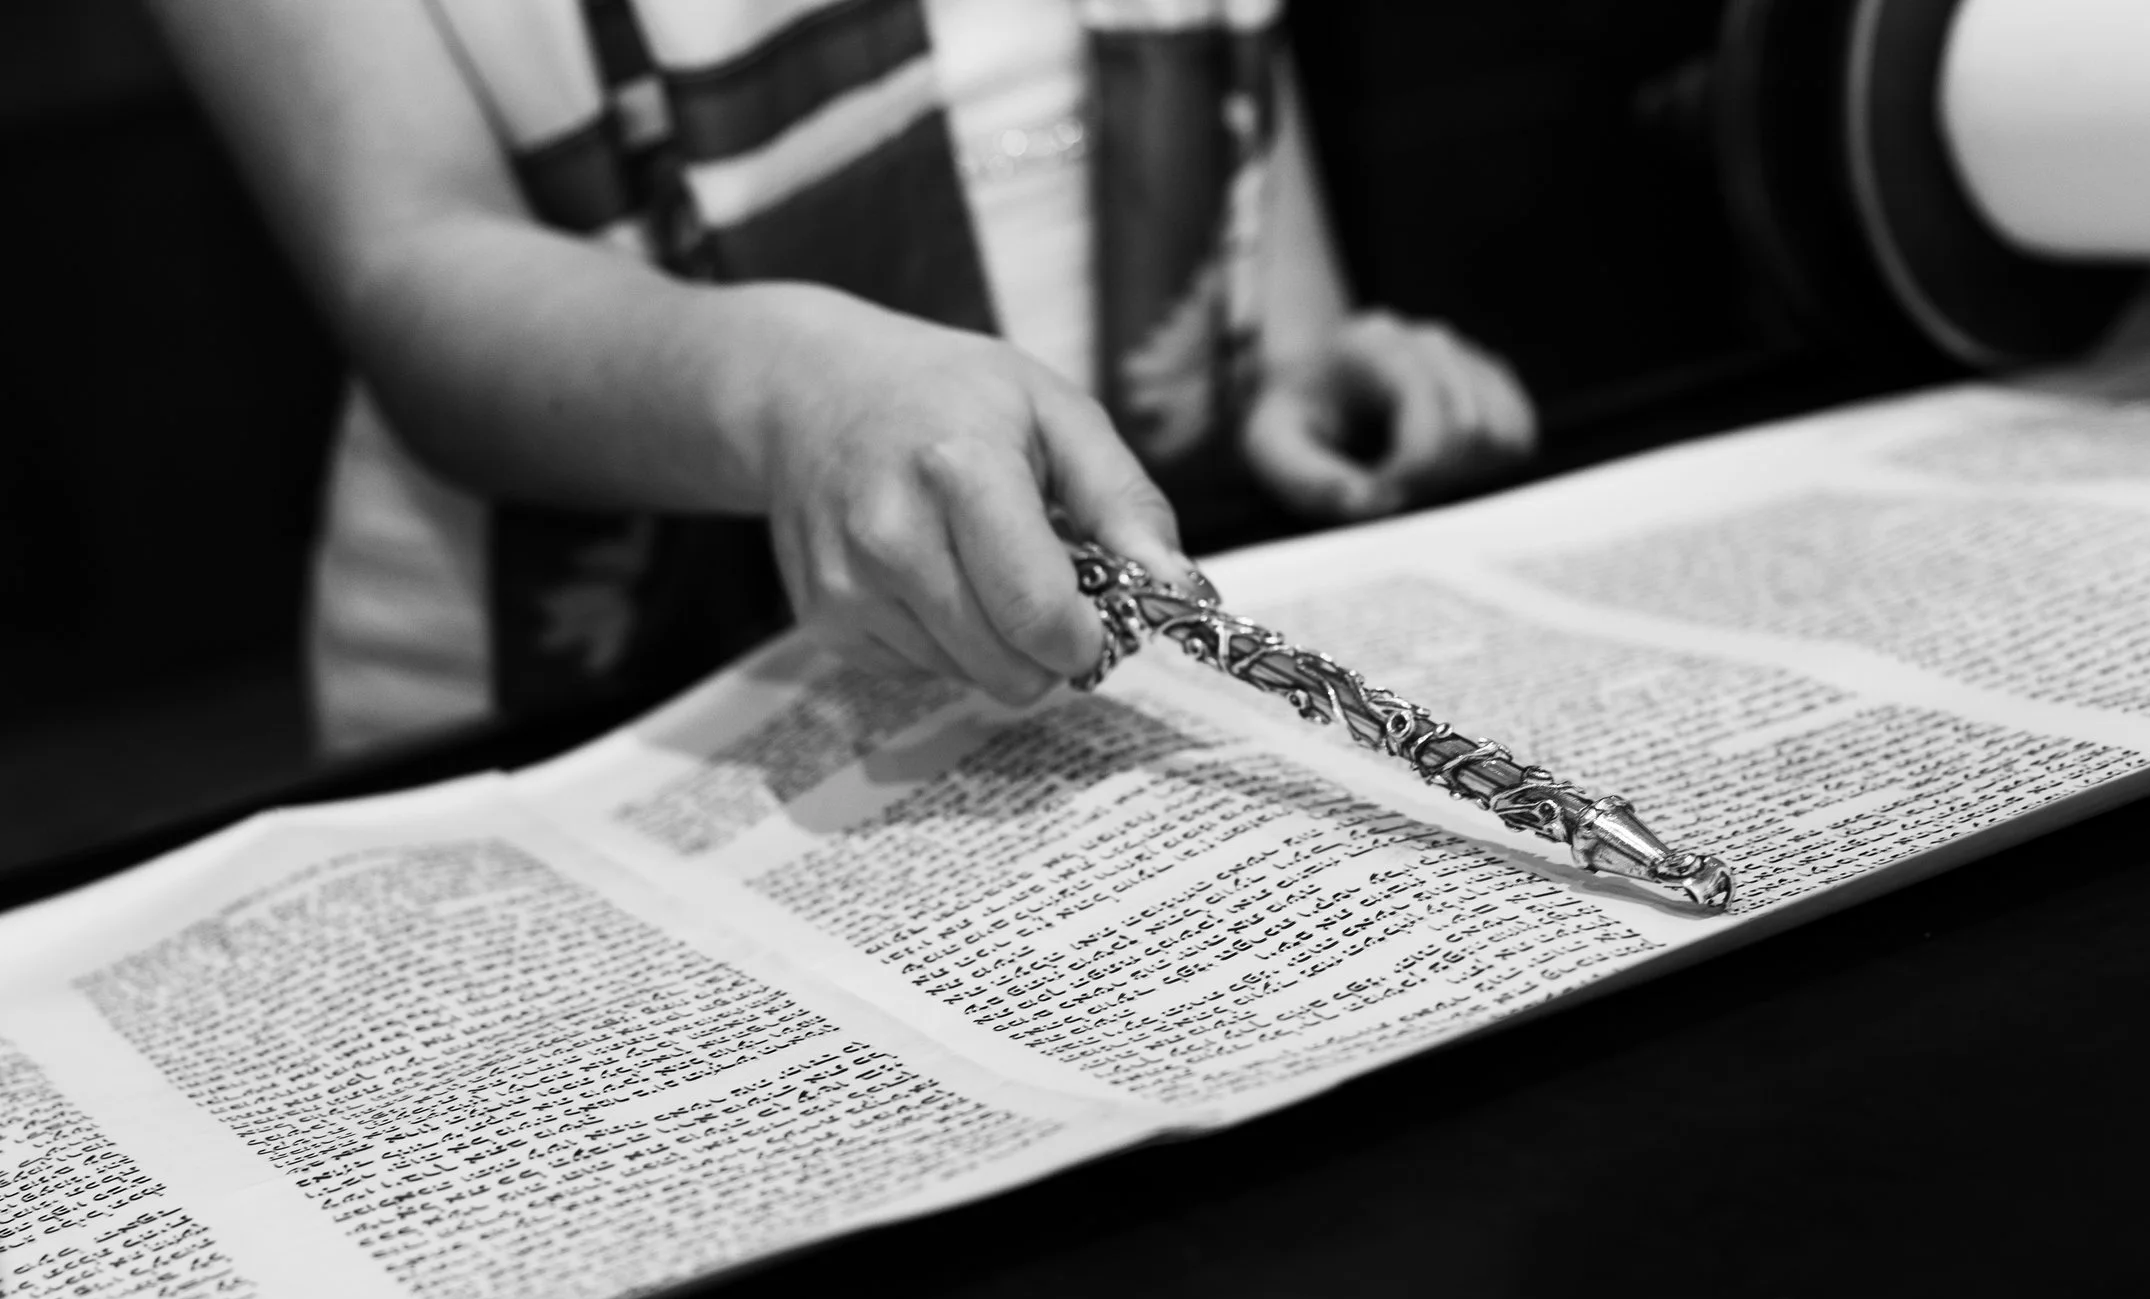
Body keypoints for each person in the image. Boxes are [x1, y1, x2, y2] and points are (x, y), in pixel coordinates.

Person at [150, 0, 1539, 754]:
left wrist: (1300, 362)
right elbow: (408, 266)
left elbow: (1216, 64)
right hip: (602, 668)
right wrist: (795, 387)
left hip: (1133, 636)